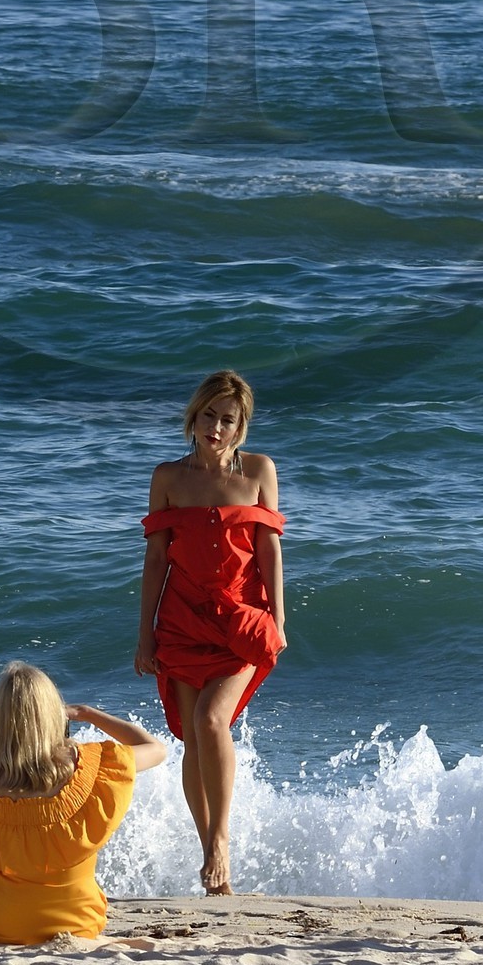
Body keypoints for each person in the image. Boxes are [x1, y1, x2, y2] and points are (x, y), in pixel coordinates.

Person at [136, 369, 285, 896]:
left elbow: (269, 548)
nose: (216, 428)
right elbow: (156, 559)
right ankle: (210, 858)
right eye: (209, 416)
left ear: (241, 426)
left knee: (211, 719)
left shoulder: (260, 471)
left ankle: (220, 841)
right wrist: (145, 633)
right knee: (193, 737)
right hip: (181, 619)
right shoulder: (168, 478)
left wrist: (278, 618)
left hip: (242, 618)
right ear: (193, 417)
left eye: (228, 420)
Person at [0, 662, 166, 945]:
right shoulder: (92, 764)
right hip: (78, 923)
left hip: (0, 928)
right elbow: (156, 749)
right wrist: (88, 714)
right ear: (53, 714)